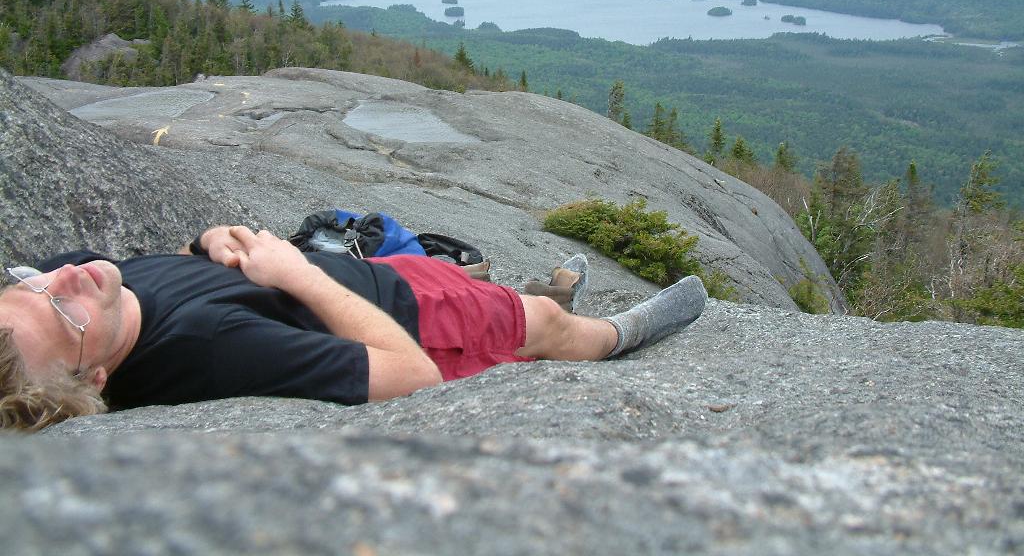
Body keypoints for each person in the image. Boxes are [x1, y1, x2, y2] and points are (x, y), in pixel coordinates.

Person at [0, 225, 707, 432]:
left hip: (382, 279)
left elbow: (180, 267)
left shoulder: (88, 283)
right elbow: (413, 376)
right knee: (541, 325)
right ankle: (617, 335)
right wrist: (293, 272)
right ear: (95, 378)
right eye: (59, 312)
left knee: (478, 286)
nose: (60, 280)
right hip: (413, 321)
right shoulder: (208, 348)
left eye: (27, 285)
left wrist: (209, 241)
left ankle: (530, 297)